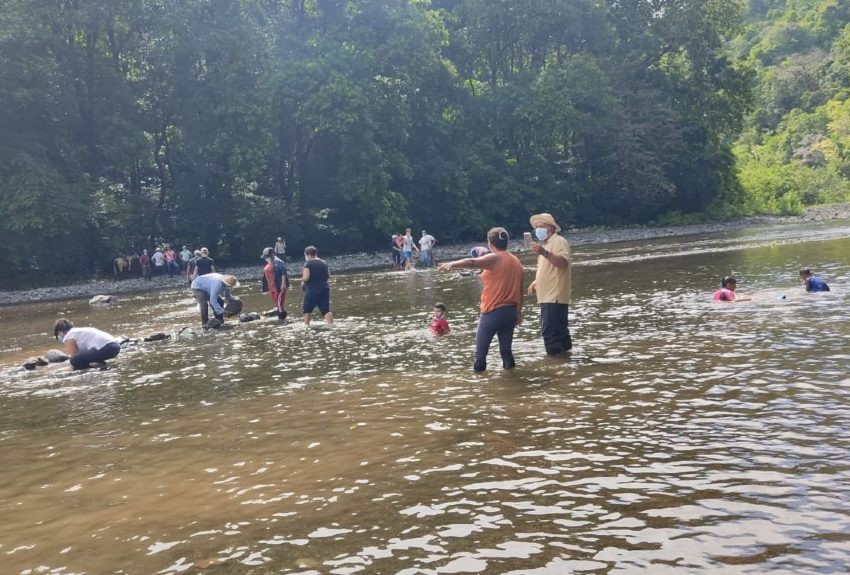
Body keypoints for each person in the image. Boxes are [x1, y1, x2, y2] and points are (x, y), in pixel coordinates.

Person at [439, 227, 523, 372]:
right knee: (506, 351)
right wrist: (518, 313)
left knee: (480, 354)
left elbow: (472, 262)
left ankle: (479, 387)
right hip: (510, 311)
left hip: (492, 312)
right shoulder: (516, 261)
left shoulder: (495, 258)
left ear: (490, 243)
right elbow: (520, 291)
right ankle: (512, 379)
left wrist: (452, 264)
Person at [527, 213, 572, 355]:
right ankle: (567, 361)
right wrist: (536, 282)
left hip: (554, 296)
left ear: (551, 228)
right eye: (537, 227)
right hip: (548, 295)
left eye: (542, 226)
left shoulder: (558, 241)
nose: (539, 229)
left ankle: (556, 366)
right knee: (560, 333)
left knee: (550, 334)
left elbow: (562, 263)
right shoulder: (547, 244)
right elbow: (549, 268)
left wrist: (543, 252)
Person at [52, 318, 120, 370]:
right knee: (84, 356)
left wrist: (70, 370)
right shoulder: (78, 331)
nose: (59, 337)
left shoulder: (69, 335)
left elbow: (74, 355)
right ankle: (101, 365)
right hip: (115, 346)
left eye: (58, 334)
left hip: (107, 347)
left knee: (74, 360)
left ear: (60, 331)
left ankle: (89, 370)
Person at [301, 245, 333, 325]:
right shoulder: (323, 262)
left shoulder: (308, 264)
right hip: (324, 288)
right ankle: (331, 325)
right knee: (326, 310)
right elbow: (329, 275)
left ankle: (306, 327)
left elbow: (306, 278)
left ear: (308, 254)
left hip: (312, 289)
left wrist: (302, 280)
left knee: (307, 310)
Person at [261, 246, 290, 320]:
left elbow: (283, 273)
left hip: (278, 287)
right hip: (272, 288)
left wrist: (283, 284)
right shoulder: (270, 263)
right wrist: (266, 289)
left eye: (267, 256)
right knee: (278, 304)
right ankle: (283, 319)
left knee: (279, 304)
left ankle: (282, 319)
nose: (266, 258)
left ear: (272, 255)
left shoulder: (278, 262)